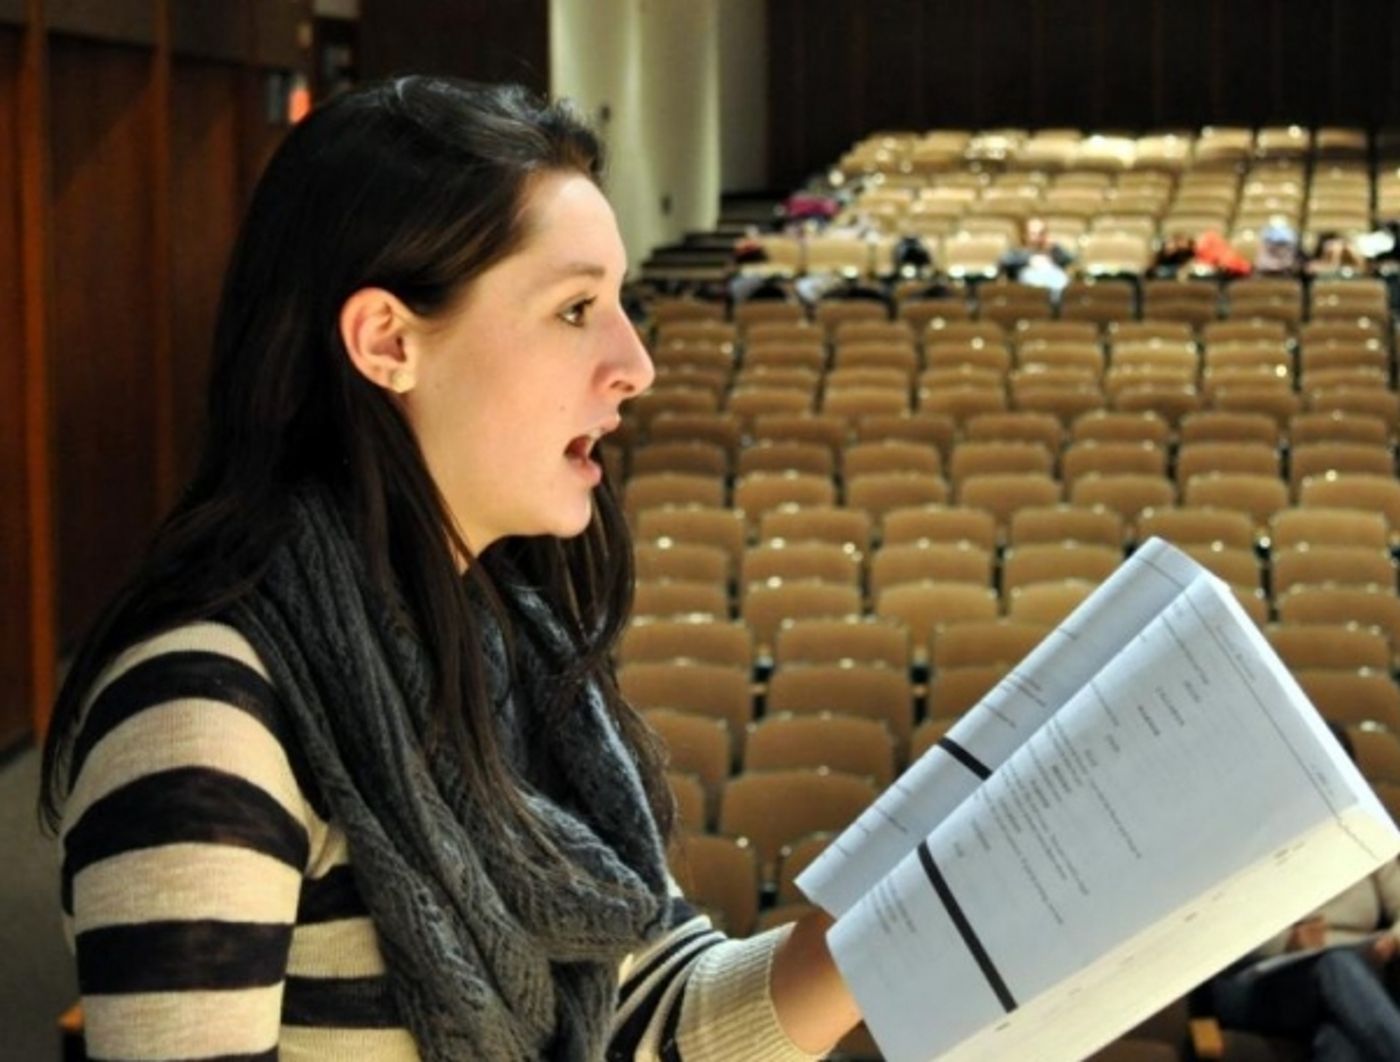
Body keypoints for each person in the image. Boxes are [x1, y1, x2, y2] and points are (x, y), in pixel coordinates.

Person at [39, 77, 859, 1061]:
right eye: (574, 309)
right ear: (388, 341)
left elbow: (653, 1020)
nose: (634, 363)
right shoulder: (202, 719)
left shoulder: (502, 643)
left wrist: (919, 920)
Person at [1210, 725, 1400, 1060]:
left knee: (1338, 1043)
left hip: (1356, 978)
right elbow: (1222, 923)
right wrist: (1286, 943)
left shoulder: (1366, 831)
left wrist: (1392, 941)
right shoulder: (1252, 836)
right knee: (1335, 967)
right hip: (1265, 982)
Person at [998, 215, 1073, 296]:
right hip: (1027, 294)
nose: (1038, 237)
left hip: (1056, 291)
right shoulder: (1017, 252)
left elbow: (1071, 258)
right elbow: (1004, 261)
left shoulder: (1054, 251)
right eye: (1033, 233)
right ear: (1025, 235)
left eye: (1041, 233)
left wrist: (1055, 247)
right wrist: (1030, 258)